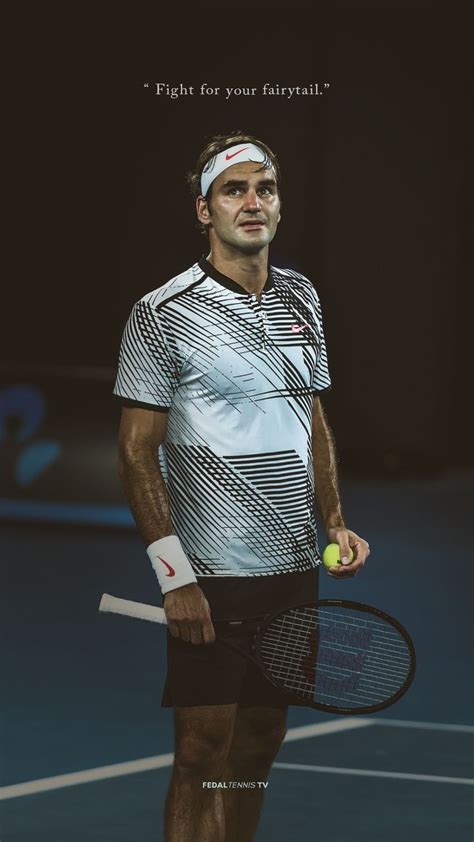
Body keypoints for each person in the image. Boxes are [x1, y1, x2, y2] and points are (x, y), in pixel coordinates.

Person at [113, 132, 370, 842]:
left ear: (280, 205)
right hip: (212, 574)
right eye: (234, 190)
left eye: (266, 188)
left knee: (258, 744)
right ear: (205, 210)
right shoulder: (161, 313)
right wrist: (175, 578)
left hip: (293, 567)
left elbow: (311, 415)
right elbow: (135, 452)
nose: (253, 202)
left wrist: (335, 522)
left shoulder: (301, 297)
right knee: (202, 754)